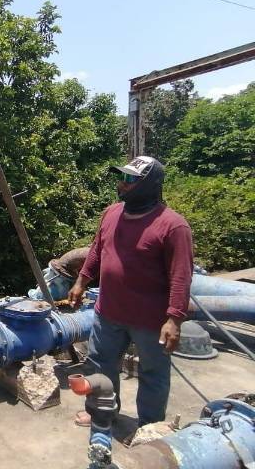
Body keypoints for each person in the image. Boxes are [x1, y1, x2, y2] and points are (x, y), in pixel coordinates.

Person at [68, 156, 193, 429]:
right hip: (108, 312)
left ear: (150, 185)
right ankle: (101, 412)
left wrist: (174, 319)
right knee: (100, 364)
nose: (122, 184)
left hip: (150, 321)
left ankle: (150, 425)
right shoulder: (112, 213)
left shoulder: (173, 226)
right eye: (122, 177)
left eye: (130, 179)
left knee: (153, 374)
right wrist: (81, 281)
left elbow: (181, 276)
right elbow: (97, 251)